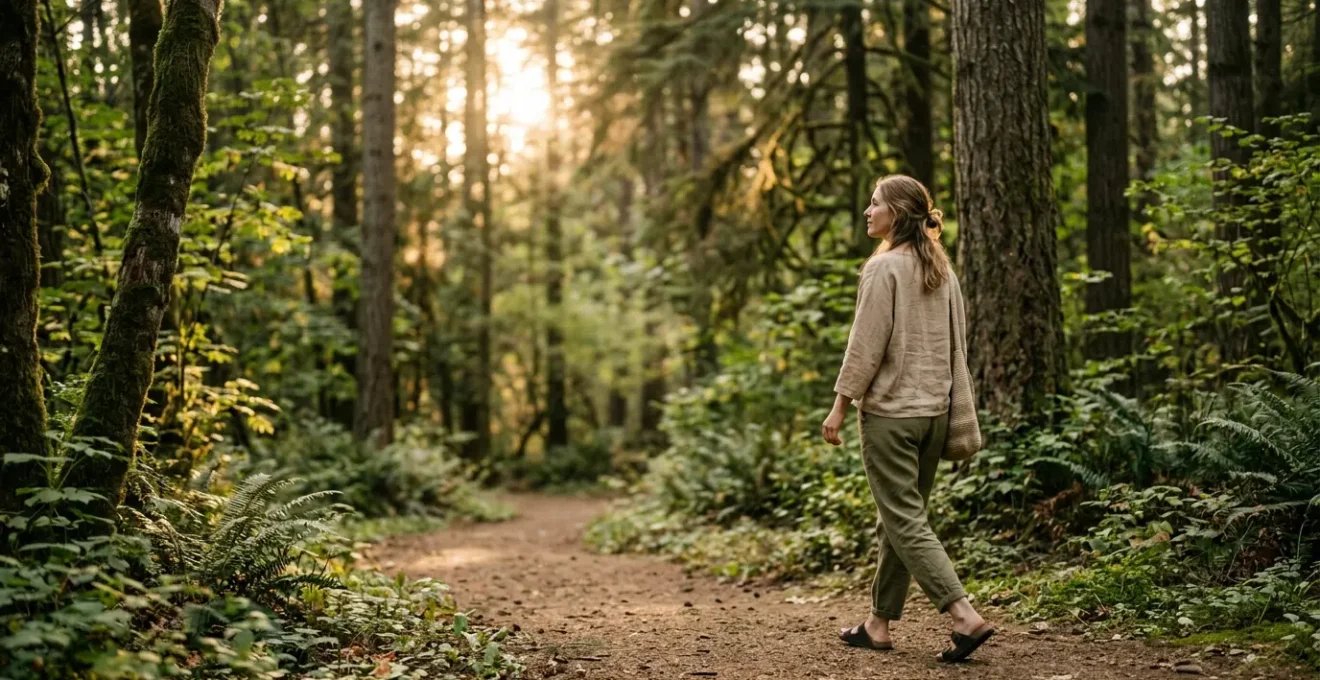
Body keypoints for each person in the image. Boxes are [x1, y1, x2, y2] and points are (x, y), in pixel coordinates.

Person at [821, 175, 994, 663]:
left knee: (905, 519)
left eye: (874, 203)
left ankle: (963, 615)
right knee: (897, 519)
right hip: (934, 416)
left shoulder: (884, 269)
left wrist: (839, 404)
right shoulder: (941, 269)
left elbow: (865, 345)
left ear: (895, 213)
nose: (867, 211)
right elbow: (956, 346)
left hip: (892, 417)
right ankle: (878, 623)